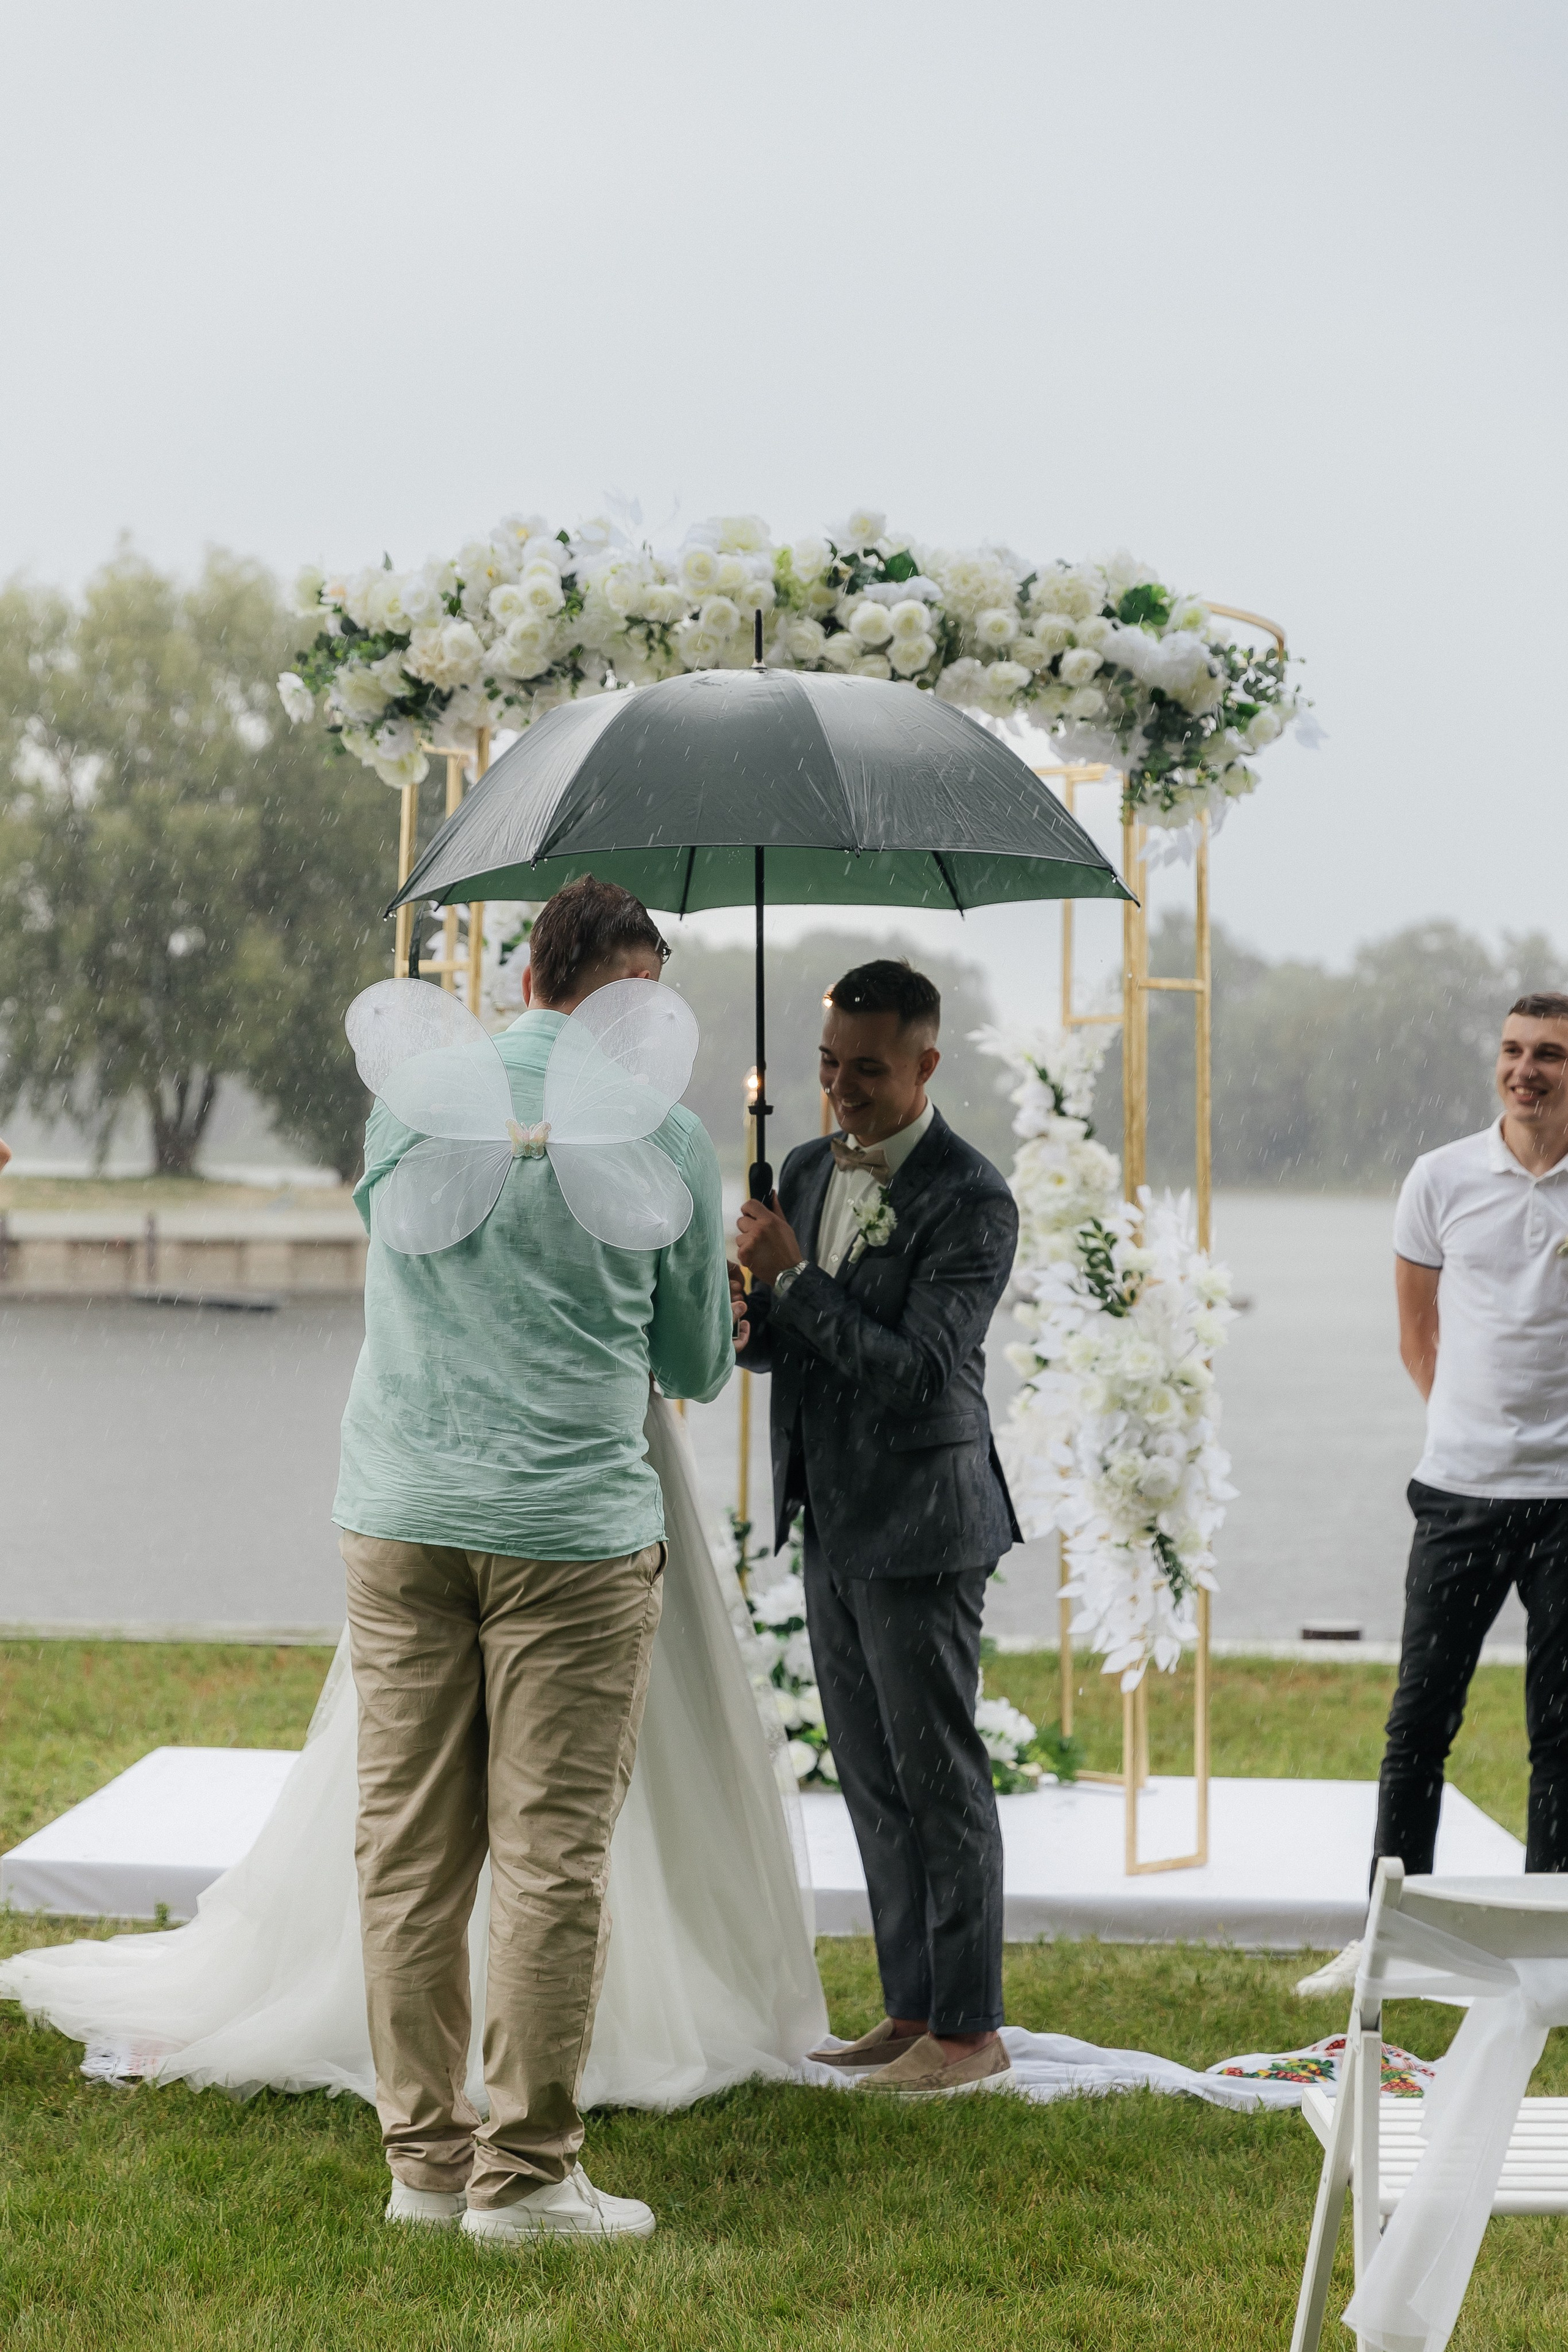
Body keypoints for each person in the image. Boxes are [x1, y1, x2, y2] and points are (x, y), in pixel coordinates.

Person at [333, 875, 739, 2244]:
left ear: (528, 984)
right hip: (567, 1535)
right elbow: (689, 1366)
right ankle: (524, 2180)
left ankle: (422, 2165)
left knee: (405, 1852)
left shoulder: (413, 1097)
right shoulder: (669, 1138)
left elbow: (390, 1255)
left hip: (400, 1512)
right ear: (636, 1004)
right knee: (551, 1859)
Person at [734, 958, 1021, 2097]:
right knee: (866, 1773)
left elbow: (915, 1373)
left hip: (927, 1523)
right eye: (827, 1066)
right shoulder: (802, 1168)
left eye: (866, 1069)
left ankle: (969, 2030)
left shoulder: (972, 1197)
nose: (841, 1089)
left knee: (938, 1774)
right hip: (832, 1518)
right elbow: (778, 1354)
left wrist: (798, 1285)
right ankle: (909, 2008)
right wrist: (751, 1301)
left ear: (924, 1065)